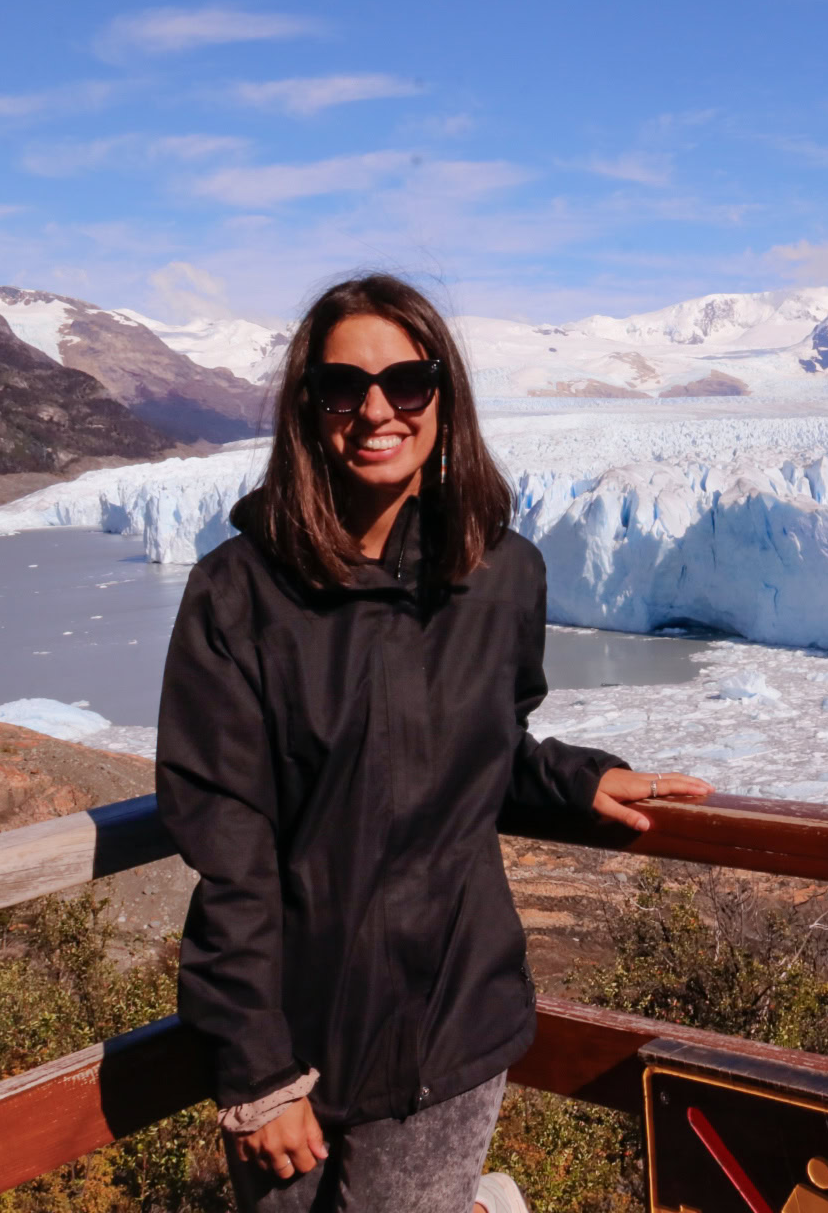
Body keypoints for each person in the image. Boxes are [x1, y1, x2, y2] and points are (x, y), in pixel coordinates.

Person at [155, 273, 712, 1212]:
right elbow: (229, 841)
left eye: (406, 382)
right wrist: (259, 1072)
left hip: (451, 1024)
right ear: (308, 409)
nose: (376, 410)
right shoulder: (238, 592)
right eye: (343, 387)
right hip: (295, 1037)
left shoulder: (501, 573)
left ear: (443, 396)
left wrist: (572, 780)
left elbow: (488, 740)